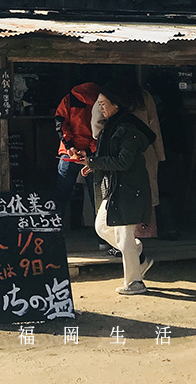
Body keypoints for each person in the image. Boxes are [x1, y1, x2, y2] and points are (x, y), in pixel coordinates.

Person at [83, 76, 157, 296]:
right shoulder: (112, 126)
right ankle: (136, 253)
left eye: (103, 104)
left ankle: (135, 282)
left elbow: (123, 162)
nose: (101, 109)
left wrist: (93, 162)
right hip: (116, 186)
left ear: (116, 104)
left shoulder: (127, 128)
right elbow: (108, 158)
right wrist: (92, 165)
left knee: (124, 238)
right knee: (101, 227)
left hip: (129, 188)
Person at [53, 82, 100, 226]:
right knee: (97, 196)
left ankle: (54, 230)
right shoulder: (101, 100)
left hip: (69, 155)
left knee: (61, 193)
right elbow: (102, 131)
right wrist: (90, 150)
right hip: (92, 155)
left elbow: (60, 123)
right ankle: (103, 239)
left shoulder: (68, 99)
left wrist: (69, 146)